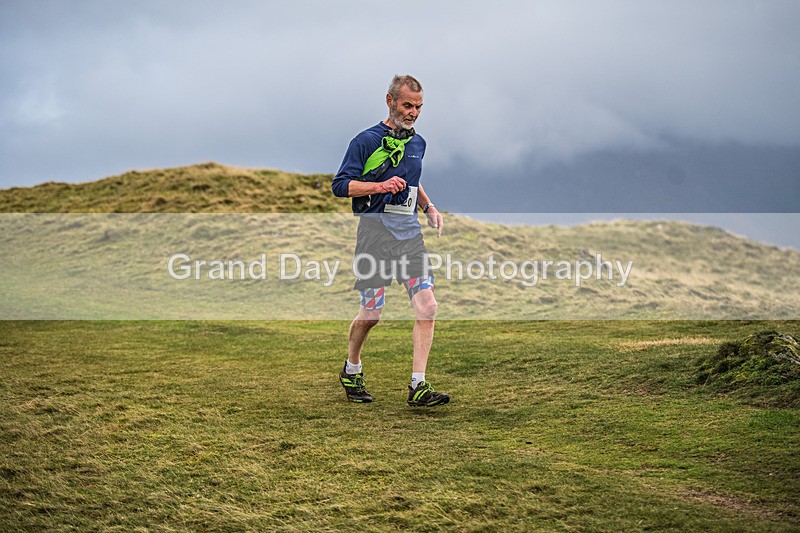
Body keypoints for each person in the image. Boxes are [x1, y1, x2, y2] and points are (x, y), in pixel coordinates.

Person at [331, 74, 449, 407]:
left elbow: (413, 180)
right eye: (407, 105)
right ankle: (352, 369)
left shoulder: (418, 143)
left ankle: (418, 386)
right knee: (372, 314)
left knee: (428, 306)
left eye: (419, 107)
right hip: (374, 236)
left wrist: (428, 207)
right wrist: (380, 187)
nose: (413, 113)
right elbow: (340, 185)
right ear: (390, 101)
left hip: (409, 237)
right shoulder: (365, 141)